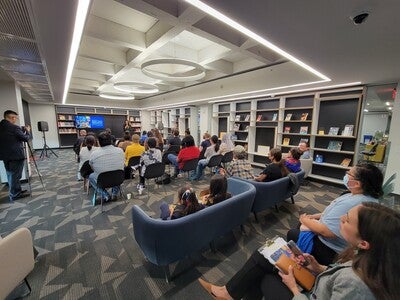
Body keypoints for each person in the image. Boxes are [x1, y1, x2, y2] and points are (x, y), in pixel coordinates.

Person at [199, 202, 400, 300]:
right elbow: (336, 274)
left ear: (364, 243)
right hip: (318, 284)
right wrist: (318, 267)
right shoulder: (368, 258)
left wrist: (294, 289)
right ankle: (229, 293)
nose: (340, 219)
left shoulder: (356, 284)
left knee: (264, 276)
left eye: (346, 220)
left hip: (308, 293)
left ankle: (228, 293)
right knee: (266, 257)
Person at [287, 163, 383, 265]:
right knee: (300, 226)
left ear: (356, 183)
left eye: (348, 174)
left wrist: (304, 219)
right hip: (339, 243)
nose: (345, 176)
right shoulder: (362, 197)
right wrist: (313, 217)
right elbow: (331, 212)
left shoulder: (353, 203)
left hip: (330, 248)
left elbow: (327, 232)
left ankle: (298, 262)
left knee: (292, 233)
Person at [0, 110, 31, 201]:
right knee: (15, 176)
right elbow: (25, 138)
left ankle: (16, 190)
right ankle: (15, 194)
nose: (15, 120)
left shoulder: (1, 126)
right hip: (16, 155)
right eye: (15, 118)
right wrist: (28, 131)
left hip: (5, 155)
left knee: (10, 174)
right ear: (12, 117)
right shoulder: (14, 127)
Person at [89, 131, 124, 202]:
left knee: (91, 176)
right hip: (118, 178)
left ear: (98, 142)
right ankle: (114, 194)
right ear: (111, 140)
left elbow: (92, 167)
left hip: (102, 180)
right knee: (116, 171)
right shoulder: (120, 150)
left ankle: (105, 195)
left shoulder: (94, 154)